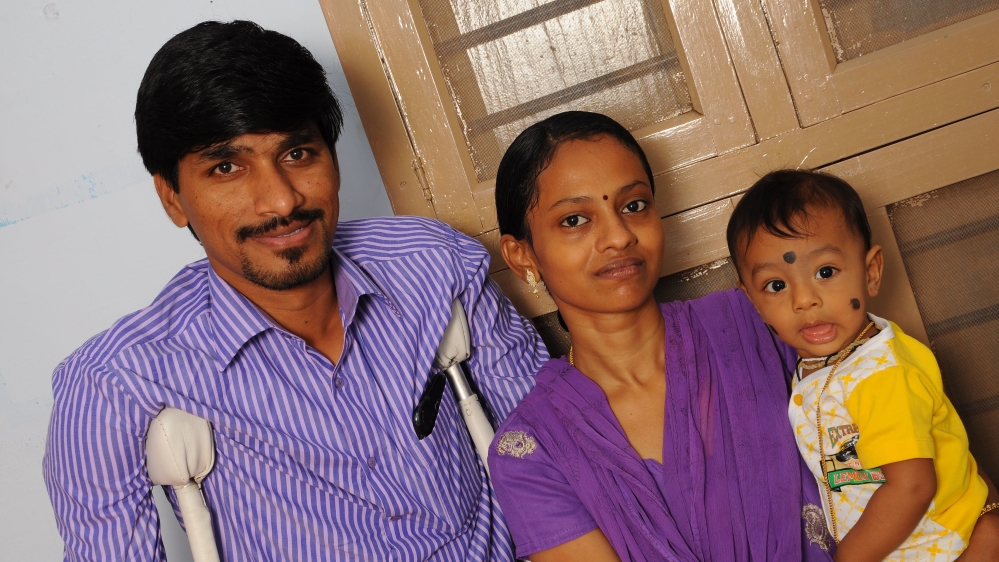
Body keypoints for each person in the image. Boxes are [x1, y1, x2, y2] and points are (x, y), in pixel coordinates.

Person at [42, 21, 546, 560]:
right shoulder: (115, 382)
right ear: (172, 198)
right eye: (227, 167)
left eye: (298, 154)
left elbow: (552, 453)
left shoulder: (433, 265)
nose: (281, 201)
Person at [486, 111, 999, 561]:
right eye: (575, 220)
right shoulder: (532, 451)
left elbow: (924, 448)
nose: (619, 235)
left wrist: (988, 531)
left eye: (635, 205)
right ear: (522, 256)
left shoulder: (766, 322)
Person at [727, 169, 994, 561]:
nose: (805, 299)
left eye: (826, 272)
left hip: (941, 545)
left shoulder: (881, 374)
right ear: (752, 302)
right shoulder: (823, 366)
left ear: (870, 272)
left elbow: (912, 486)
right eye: (776, 285)